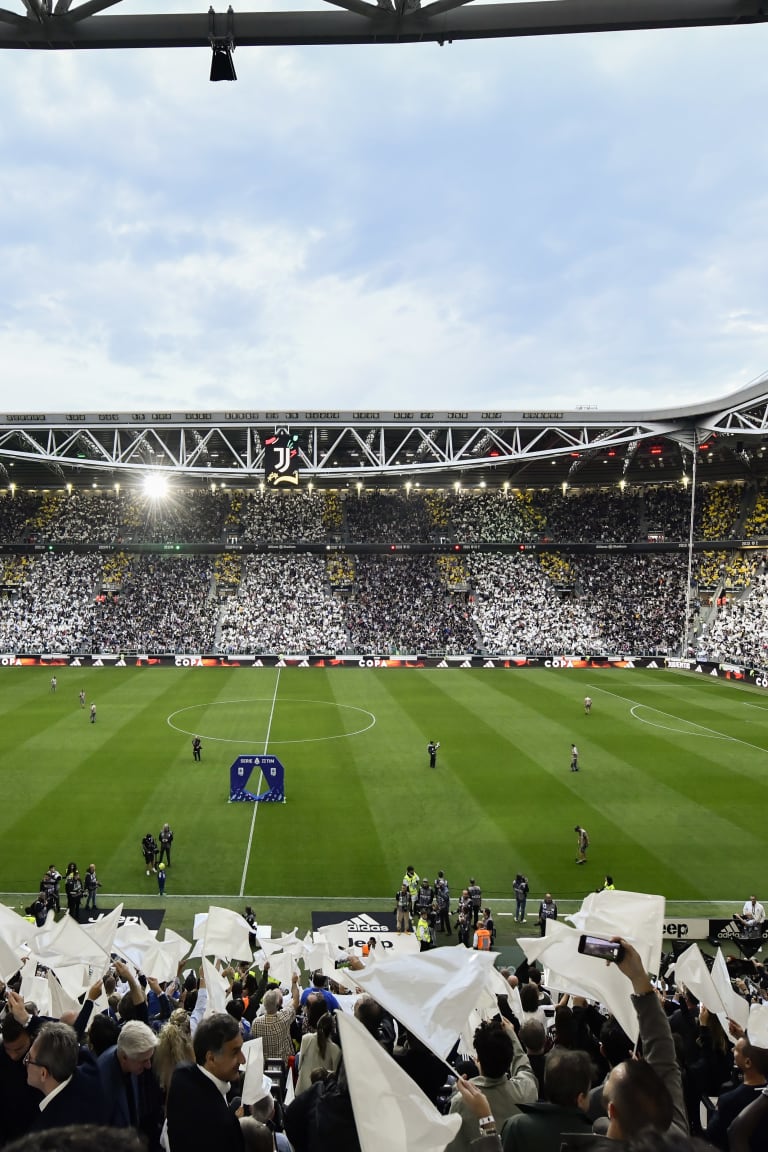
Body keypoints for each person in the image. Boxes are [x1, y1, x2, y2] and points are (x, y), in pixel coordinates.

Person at [446, 1018, 538, 1152]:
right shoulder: (525, 1091)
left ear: (478, 1058)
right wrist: (512, 1034)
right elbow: (524, 1067)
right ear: (509, 1058)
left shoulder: (461, 1102)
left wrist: (455, 1092)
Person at [166, 1013, 245, 1152]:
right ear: (211, 1058)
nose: (242, 1059)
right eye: (235, 1052)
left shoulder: (180, 1075)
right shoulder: (223, 1126)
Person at [24, 1021, 105, 1131]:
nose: (24, 1062)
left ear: (43, 1073)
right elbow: (65, 1039)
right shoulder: (90, 1070)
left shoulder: (50, 1131)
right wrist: (28, 1019)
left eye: (28, 1058)